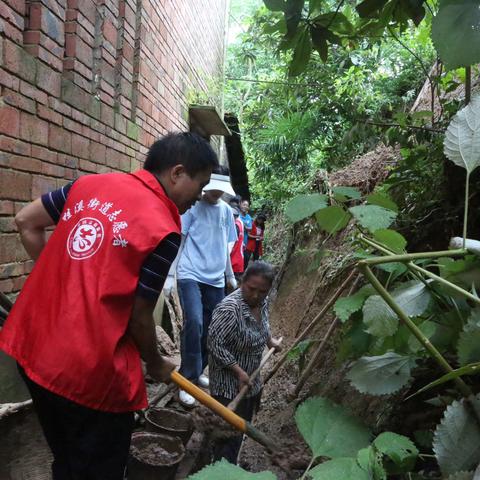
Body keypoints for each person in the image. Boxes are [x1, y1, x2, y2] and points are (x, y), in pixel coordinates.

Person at [0, 132, 218, 480]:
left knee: (67, 458)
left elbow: (26, 221)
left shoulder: (88, 185)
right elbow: (138, 316)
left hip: (32, 350)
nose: (200, 196)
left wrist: (64, 279)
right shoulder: (162, 228)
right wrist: (156, 361)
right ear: (177, 173)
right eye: (201, 183)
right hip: (86, 372)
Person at [166, 167, 238, 407]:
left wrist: (229, 275)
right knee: (194, 322)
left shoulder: (227, 212)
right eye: (214, 188)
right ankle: (187, 380)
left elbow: (224, 245)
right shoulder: (193, 208)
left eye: (221, 190)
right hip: (190, 273)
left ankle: (197, 372)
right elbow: (181, 240)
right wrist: (170, 274)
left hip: (215, 278)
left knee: (212, 328)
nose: (217, 193)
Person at [208, 261, 281, 464]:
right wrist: (238, 372)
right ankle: (219, 468)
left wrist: (270, 341)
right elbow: (214, 345)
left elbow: (263, 326)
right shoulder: (229, 310)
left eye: (262, 291)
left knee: (241, 427)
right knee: (227, 432)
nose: (256, 295)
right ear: (242, 283)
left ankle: (225, 460)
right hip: (228, 384)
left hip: (251, 379)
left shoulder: (261, 303)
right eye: (251, 289)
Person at [230, 206, 245, 283]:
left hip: (233, 257)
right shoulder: (240, 223)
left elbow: (231, 244)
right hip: (238, 255)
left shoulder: (235, 225)